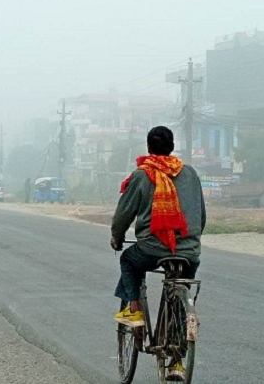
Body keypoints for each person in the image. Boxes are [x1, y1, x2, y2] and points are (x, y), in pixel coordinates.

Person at [110, 126, 205, 380]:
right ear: (172, 147)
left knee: (129, 260)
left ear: (149, 147)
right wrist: (190, 241)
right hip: (188, 250)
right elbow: (201, 216)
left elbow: (124, 214)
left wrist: (117, 237)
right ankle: (176, 362)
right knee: (176, 290)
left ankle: (134, 309)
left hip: (153, 247)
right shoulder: (191, 174)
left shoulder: (143, 175)